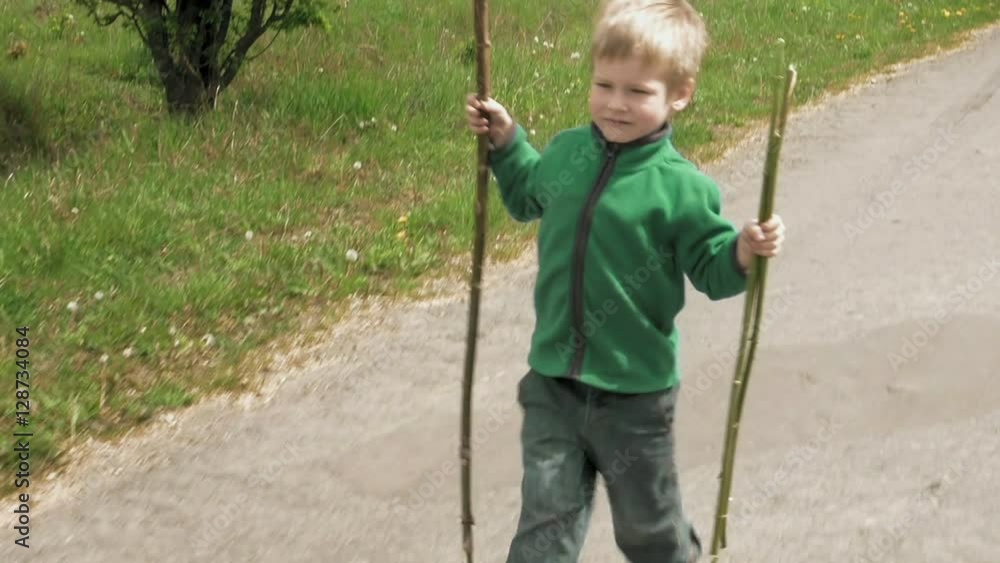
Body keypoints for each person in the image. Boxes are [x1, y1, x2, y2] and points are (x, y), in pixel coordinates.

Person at [463, 1, 785, 561]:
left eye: (637, 91)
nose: (616, 103)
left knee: (648, 529)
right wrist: (507, 141)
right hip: (553, 384)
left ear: (679, 94)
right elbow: (525, 195)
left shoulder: (682, 188)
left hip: (636, 397)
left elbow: (713, 272)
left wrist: (742, 251)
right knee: (545, 525)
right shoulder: (566, 152)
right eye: (604, 85)